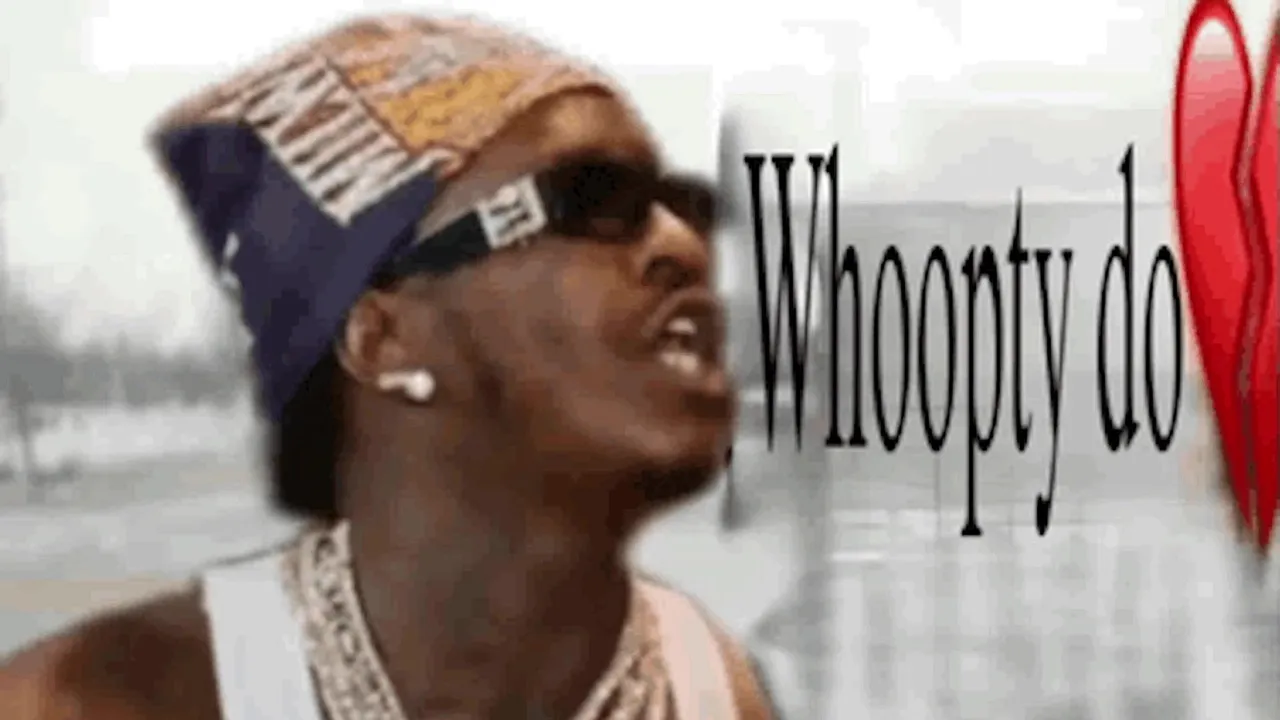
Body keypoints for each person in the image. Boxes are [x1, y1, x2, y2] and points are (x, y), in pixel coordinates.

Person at [0, 15, 779, 720]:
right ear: (384, 338)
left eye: (683, 202)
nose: (685, 245)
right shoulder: (96, 701)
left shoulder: (705, 684)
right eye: (593, 199)